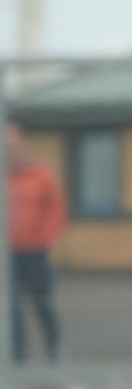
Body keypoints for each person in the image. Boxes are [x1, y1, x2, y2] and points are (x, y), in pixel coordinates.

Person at [7, 123, 65, 362]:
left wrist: (45, 237)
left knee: (42, 302)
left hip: (35, 251)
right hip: (8, 254)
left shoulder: (40, 175)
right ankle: (15, 357)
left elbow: (55, 208)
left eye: (12, 145)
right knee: (11, 307)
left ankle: (55, 350)